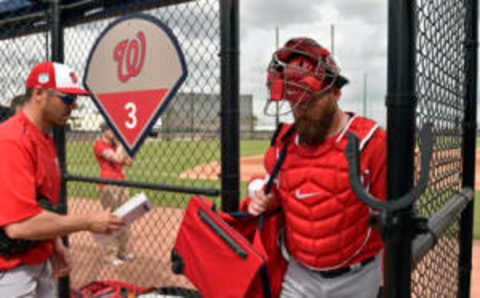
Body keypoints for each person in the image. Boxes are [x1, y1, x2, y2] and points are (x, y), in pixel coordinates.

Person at [246, 37, 386, 298]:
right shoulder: (282, 145)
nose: (300, 110)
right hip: (299, 275)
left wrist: (389, 278)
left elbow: (392, 215)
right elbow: (273, 189)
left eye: (309, 100)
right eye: (293, 101)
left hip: (359, 276)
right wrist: (261, 198)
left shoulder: (371, 143)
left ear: (335, 92)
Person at [0, 61, 125, 298]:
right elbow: (19, 226)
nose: (73, 106)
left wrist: (55, 243)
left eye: (75, 99)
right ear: (38, 93)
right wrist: (87, 221)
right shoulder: (11, 140)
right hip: (10, 269)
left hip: (37, 258)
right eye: (67, 98)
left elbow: (40, 203)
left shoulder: (45, 139)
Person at [93, 122, 134, 266]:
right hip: (108, 185)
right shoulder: (99, 145)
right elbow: (116, 159)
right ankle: (109, 256)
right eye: (112, 130)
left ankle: (123, 251)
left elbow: (130, 162)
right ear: (104, 131)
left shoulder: (117, 146)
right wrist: (121, 144)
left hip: (122, 183)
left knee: (125, 217)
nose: (115, 133)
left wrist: (125, 148)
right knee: (111, 219)